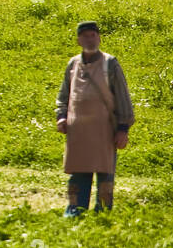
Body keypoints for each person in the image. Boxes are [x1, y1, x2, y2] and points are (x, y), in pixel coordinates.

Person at [55, 21, 133, 216]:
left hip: (104, 131)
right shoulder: (73, 64)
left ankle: (103, 213)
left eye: (93, 35)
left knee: (105, 176)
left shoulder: (110, 63)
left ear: (99, 37)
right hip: (78, 132)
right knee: (76, 175)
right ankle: (74, 211)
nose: (90, 39)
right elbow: (64, 95)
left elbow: (123, 97)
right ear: (79, 40)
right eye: (85, 36)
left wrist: (123, 129)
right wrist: (61, 116)